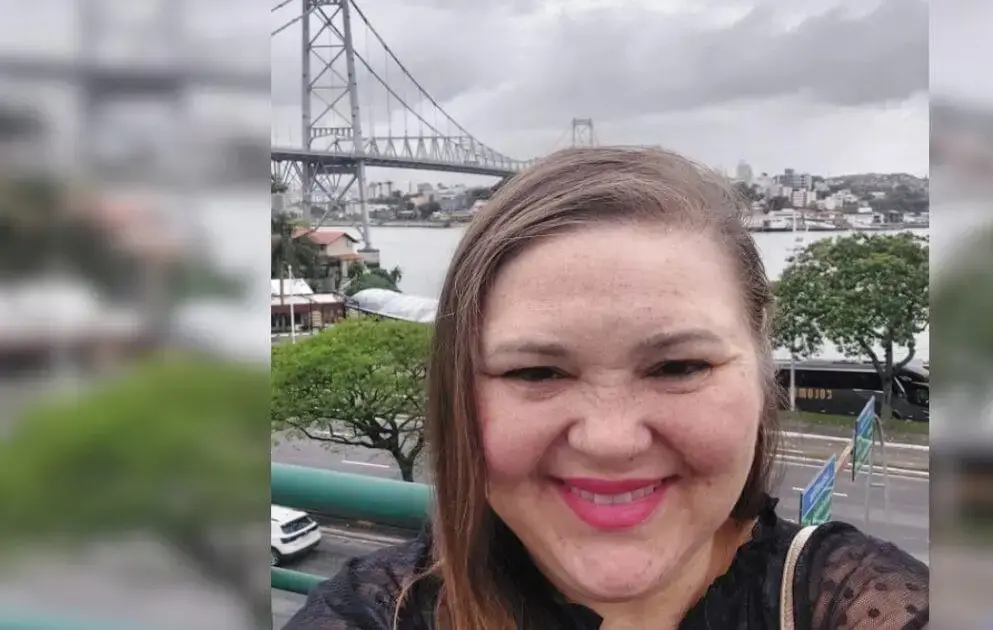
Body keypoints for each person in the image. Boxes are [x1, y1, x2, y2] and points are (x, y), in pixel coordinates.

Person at [285, 147, 929, 630]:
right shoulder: (373, 614)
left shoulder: (863, 605)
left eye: (679, 367)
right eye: (536, 372)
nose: (612, 440)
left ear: (762, 371)